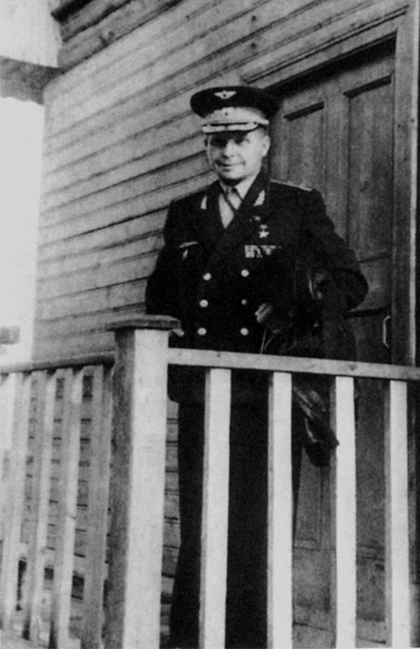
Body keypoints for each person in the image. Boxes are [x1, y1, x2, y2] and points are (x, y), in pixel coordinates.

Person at [145, 85, 368, 649]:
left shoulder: (296, 205)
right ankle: (192, 640)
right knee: (201, 523)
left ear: (265, 143)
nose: (228, 151)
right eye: (216, 140)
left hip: (267, 389)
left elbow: (350, 282)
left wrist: (297, 305)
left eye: (241, 139)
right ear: (206, 146)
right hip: (202, 392)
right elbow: (161, 298)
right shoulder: (186, 213)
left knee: (260, 525)